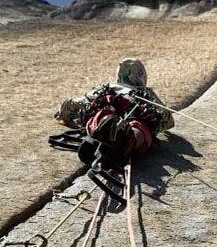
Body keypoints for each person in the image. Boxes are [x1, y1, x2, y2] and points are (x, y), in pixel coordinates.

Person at [50, 58, 174, 201]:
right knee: (140, 130)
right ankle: (122, 139)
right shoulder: (147, 95)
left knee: (100, 116)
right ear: (142, 76)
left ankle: (101, 133)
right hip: (136, 125)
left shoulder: (108, 88)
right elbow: (168, 121)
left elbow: (66, 110)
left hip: (105, 116)